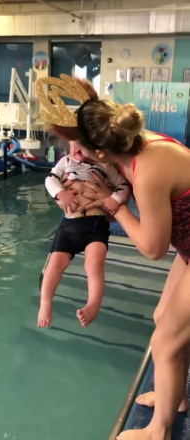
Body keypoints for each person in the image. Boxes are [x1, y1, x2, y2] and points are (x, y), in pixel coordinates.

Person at [36, 74, 190, 440]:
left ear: (101, 152)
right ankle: (176, 398)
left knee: (165, 341)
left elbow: (153, 249)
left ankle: (159, 432)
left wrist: (113, 205)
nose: (74, 155)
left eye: (78, 147)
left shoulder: (148, 169)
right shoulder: (136, 145)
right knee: (162, 319)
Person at [37, 141, 131, 328]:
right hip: (69, 223)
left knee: (94, 264)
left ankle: (93, 305)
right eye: (73, 145)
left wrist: (115, 198)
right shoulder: (65, 161)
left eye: (82, 145)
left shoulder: (105, 166)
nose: (76, 149)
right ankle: (45, 303)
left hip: (96, 224)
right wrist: (61, 193)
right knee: (55, 263)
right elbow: (50, 179)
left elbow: (124, 186)